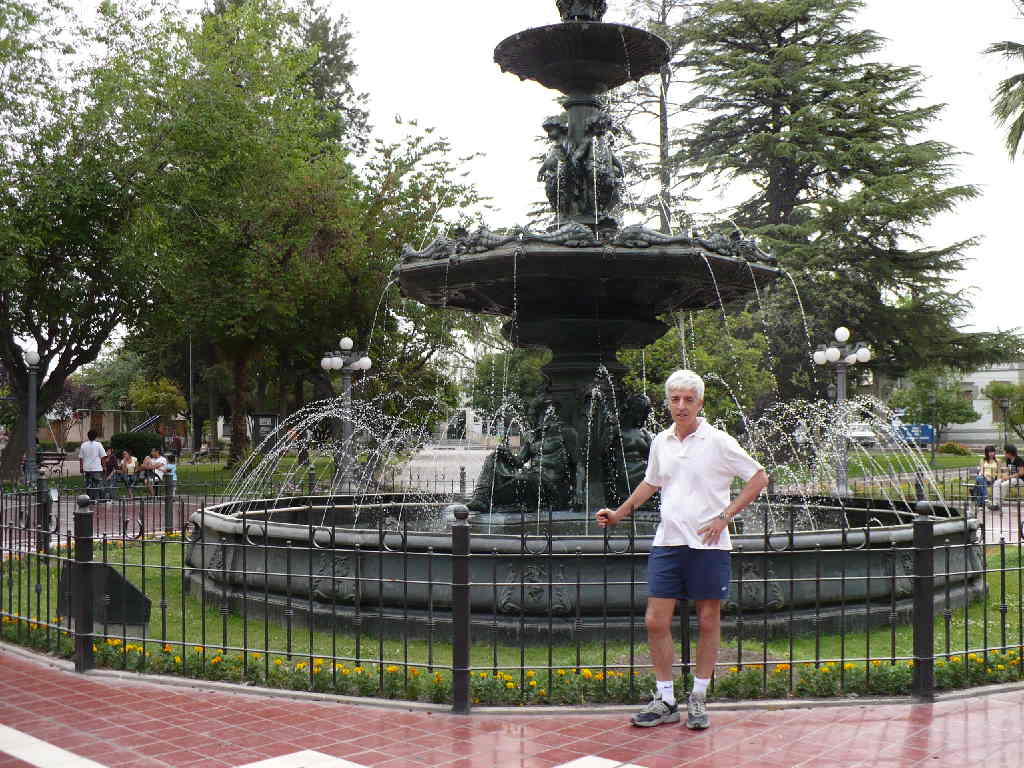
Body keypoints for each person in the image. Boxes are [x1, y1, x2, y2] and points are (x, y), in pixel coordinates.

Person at [596, 370, 769, 731]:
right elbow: (651, 482)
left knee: (707, 621)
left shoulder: (718, 441)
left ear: (700, 403)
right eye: (675, 399)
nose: (681, 405)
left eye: (689, 399)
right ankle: (666, 699)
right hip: (668, 542)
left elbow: (759, 477)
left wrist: (724, 517)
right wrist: (618, 514)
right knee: (655, 620)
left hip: (709, 545)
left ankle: (699, 698)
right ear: (668, 403)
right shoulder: (661, 441)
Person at [992, 444, 1024, 509]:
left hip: (1020, 480)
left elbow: (1021, 473)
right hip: (1012, 479)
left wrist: (1009, 477)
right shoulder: (1008, 460)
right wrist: (1004, 476)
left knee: (1004, 485)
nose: (1004, 453)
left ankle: (998, 504)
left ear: (1009, 452)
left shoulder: (1018, 459)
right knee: (996, 483)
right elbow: (1009, 471)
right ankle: (995, 503)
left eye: (1004, 451)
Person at [78, 430, 106, 501]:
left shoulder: (83, 445)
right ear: (96, 437)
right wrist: (104, 466)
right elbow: (103, 457)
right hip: (96, 469)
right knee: (97, 485)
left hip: (87, 469)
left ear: (88, 436)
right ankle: (96, 499)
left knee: (88, 485)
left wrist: (81, 467)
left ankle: (89, 499)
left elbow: (81, 458)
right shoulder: (98, 444)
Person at [973, 445, 999, 510]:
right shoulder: (983, 460)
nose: (991, 453)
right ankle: (985, 499)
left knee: (979, 483)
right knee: (980, 480)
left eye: (992, 451)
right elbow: (981, 470)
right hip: (983, 478)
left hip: (992, 479)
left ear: (994, 452)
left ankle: (980, 504)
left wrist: (996, 479)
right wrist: (985, 476)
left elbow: (999, 472)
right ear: (986, 453)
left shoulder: (997, 461)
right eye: (989, 452)